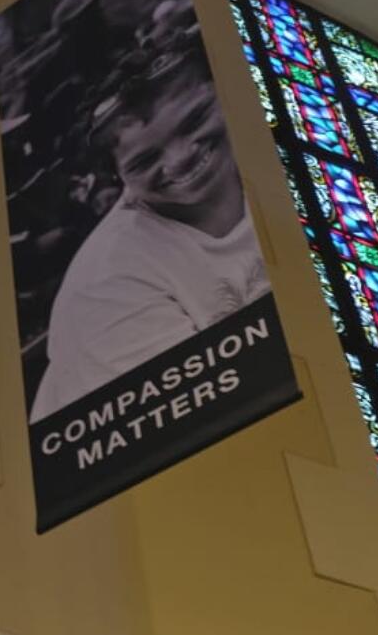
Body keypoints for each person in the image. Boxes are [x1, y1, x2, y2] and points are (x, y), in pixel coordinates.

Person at [30, 45, 270, 422]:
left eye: (194, 121)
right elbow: (206, 422)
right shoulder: (105, 283)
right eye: (145, 161)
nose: (179, 159)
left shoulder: (278, 164)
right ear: (117, 178)